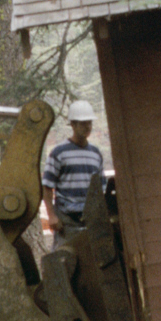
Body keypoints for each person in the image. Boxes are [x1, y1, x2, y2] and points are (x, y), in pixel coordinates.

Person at [41, 100, 104, 244]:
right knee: (66, 259)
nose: (87, 126)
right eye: (83, 123)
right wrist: (51, 215)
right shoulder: (59, 152)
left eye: (89, 122)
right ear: (73, 125)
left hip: (91, 219)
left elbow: (101, 187)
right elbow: (47, 187)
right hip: (67, 220)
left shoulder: (96, 154)